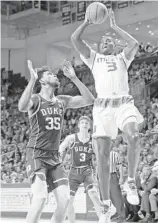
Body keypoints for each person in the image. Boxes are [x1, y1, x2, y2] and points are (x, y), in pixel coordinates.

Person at [71, 8, 143, 223]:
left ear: (114, 45)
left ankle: (130, 181)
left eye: (109, 40)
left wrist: (114, 27)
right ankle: (105, 206)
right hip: (102, 109)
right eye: (102, 41)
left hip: (123, 104)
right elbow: (75, 39)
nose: (105, 42)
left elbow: (135, 44)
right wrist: (85, 22)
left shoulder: (123, 57)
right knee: (102, 157)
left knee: (134, 137)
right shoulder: (93, 59)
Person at [18, 60, 94, 223]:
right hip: (37, 154)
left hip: (54, 158)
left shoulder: (62, 100)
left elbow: (89, 99)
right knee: (40, 199)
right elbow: (22, 106)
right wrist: (32, 80)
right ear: (43, 81)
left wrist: (74, 78)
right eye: (50, 74)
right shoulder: (36, 99)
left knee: (65, 200)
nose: (55, 75)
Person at [59, 116, 101, 223]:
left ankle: (103, 219)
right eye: (82, 122)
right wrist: (61, 155)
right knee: (69, 200)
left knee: (94, 196)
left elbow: (99, 157)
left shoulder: (93, 139)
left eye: (86, 122)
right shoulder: (71, 138)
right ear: (78, 125)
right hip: (74, 171)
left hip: (87, 170)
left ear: (89, 126)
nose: (84, 124)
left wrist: (97, 173)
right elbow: (61, 148)